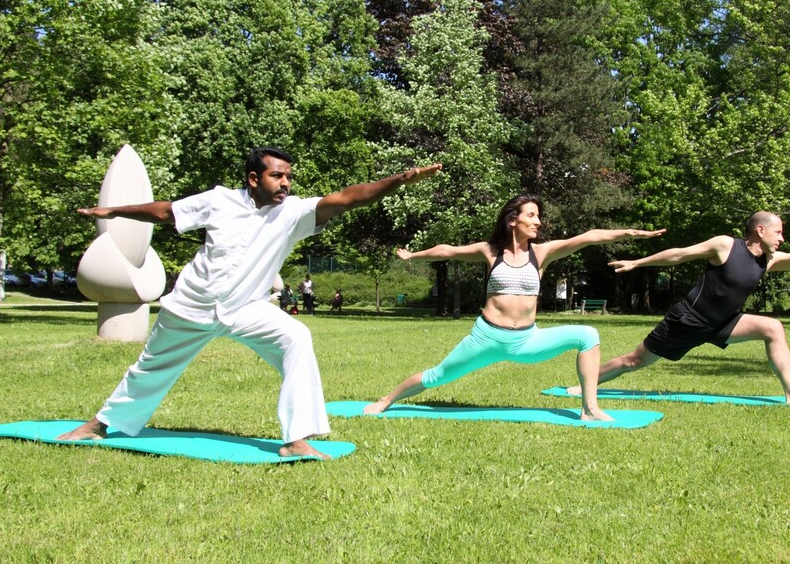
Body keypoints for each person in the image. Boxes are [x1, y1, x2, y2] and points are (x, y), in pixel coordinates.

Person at [57, 146, 441, 458]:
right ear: (254, 178)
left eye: (289, 176)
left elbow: (346, 199)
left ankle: (297, 439)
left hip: (247, 309)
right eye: (278, 175)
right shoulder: (219, 201)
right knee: (150, 368)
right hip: (191, 305)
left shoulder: (293, 213)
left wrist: (400, 180)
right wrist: (113, 211)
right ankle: (100, 425)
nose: (286, 183)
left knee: (296, 338)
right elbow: (165, 211)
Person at [363, 194, 665, 420]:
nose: (538, 221)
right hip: (486, 338)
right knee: (436, 376)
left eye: (538, 216)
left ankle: (590, 408)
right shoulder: (490, 251)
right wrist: (413, 256)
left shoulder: (542, 253)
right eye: (531, 215)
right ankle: (386, 400)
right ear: (512, 220)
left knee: (588, 335)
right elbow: (448, 251)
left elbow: (587, 238)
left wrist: (630, 233)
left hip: (527, 341)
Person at [567, 212, 790, 405]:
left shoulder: (769, 261)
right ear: (760, 230)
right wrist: (638, 263)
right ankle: (582, 384)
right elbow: (679, 254)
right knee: (633, 360)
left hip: (725, 323)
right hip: (688, 319)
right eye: (778, 231)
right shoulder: (725, 245)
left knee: (773, 327)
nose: (782, 238)